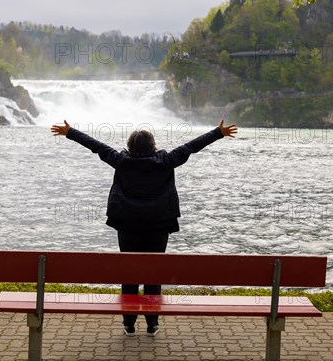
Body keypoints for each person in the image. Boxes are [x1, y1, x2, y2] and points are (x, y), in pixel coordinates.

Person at [50, 119, 238, 337]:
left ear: (130, 146)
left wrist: (70, 131)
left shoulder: (120, 161)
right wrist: (218, 132)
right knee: (153, 273)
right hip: (158, 226)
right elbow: (192, 146)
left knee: (129, 272)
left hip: (127, 225)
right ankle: (152, 323)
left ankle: (128, 323)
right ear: (153, 146)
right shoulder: (166, 161)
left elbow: (96, 146)